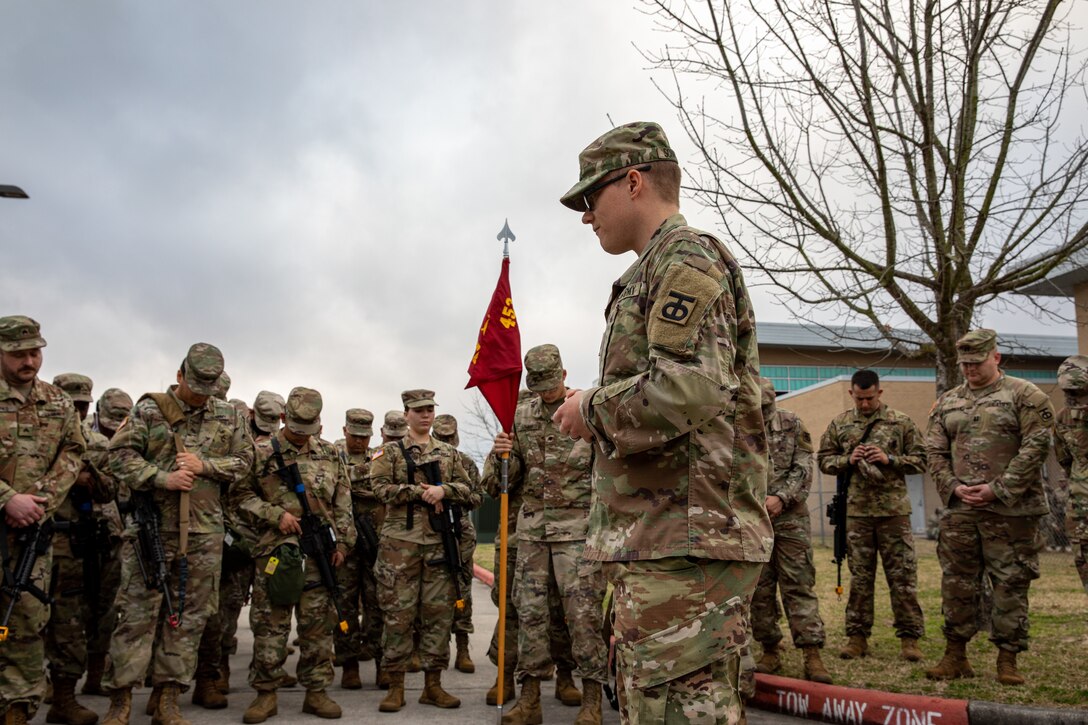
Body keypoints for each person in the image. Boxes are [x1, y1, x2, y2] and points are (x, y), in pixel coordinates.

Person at [552, 122, 773, 724]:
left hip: (687, 538)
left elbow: (690, 388)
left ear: (632, 182)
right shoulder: (656, 268)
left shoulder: (685, 259)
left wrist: (590, 407)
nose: (585, 216)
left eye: (590, 198)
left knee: (678, 710)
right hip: (667, 539)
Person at [100, 343, 253, 725]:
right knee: (136, 617)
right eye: (195, 385)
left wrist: (206, 466)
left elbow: (246, 462)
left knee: (188, 619)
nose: (201, 395)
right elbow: (117, 457)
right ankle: (119, 702)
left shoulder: (227, 415)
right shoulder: (150, 410)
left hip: (204, 533)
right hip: (153, 530)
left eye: (209, 387)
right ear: (180, 375)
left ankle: (168, 699)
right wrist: (162, 477)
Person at [925, 329, 1054, 685]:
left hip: (1011, 512)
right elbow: (933, 451)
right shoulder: (948, 401)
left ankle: (1007, 660)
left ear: (995, 357)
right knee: (957, 584)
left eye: (976, 363)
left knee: (1010, 583)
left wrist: (998, 489)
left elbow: (1036, 447)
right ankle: (955, 655)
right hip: (962, 511)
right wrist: (952, 487)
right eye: (963, 364)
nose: (969, 370)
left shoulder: (1025, 396)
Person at [489, 344, 607, 725]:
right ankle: (530, 700)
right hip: (533, 533)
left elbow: (605, 472)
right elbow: (504, 481)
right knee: (531, 617)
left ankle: (592, 701)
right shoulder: (519, 415)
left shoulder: (586, 411)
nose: (545, 393)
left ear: (564, 374)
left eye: (551, 384)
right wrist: (503, 454)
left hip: (577, 534)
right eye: (538, 386)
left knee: (583, 617)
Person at [230, 387, 354, 723]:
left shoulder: (330, 454)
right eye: (296, 426)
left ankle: (316, 692)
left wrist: (343, 544)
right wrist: (276, 516)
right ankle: (265, 694)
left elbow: (343, 503)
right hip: (276, 554)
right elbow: (238, 497)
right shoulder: (260, 452)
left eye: (308, 428)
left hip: (320, 556)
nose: (301, 435)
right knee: (270, 625)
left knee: (317, 628)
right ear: (284, 418)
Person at [0, 316, 85, 725]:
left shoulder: (58, 402)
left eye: (35, 352)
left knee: (27, 622)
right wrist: (7, 499)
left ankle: (17, 710)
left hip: (31, 533)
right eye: (18, 353)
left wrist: (39, 503)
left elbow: (72, 454)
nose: (29, 361)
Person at [369, 389, 473, 713]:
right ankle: (396, 686)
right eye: (419, 410)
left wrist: (445, 489)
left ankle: (433, 686)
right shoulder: (388, 453)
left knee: (438, 616)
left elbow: (471, 491)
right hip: (400, 545)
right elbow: (379, 488)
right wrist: (417, 492)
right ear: (406, 414)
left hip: (439, 546)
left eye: (429, 409)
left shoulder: (449, 453)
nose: (425, 415)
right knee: (398, 616)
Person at [817, 369, 926, 662]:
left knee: (902, 577)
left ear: (879, 393)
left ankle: (910, 638)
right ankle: (857, 637)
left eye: (869, 398)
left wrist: (889, 459)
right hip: (857, 514)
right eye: (859, 398)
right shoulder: (840, 424)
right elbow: (824, 461)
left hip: (893, 513)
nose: (864, 404)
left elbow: (922, 460)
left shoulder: (900, 422)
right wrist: (847, 460)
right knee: (861, 579)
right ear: (851, 393)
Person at [481, 390, 579, 709]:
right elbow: (493, 487)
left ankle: (565, 675)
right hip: (514, 538)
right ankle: (505, 676)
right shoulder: (506, 442)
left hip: (555, 535)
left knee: (559, 611)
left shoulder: (558, 439)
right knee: (511, 611)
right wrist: (502, 456)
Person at [751, 378, 831, 684]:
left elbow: (804, 466)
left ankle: (812, 653)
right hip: (753, 520)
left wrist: (782, 498)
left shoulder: (792, 424)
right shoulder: (737, 427)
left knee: (798, 583)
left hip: (790, 518)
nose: (761, 412)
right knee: (759, 589)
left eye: (765, 406)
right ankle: (770, 648)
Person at [46, 373, 113, 725]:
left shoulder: (96, 444)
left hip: (74, 544)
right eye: (71, 405)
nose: (77, 411)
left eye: (82, 406)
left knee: (69, 623)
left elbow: (110, 493)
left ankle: (63, 696)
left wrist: (91, 478)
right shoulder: (40, 436)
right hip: (31, 540)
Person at [81, 388, 134, 697]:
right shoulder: (80, 436)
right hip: (74, 530)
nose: (115, 425)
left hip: (116, 533)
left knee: (107, 606)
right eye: (112, 418)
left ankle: (96, 672)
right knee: (71, 607)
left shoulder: (130, 438)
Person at [333, 408, 385, 689]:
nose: (359, 442)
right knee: (345, 606)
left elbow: (382, 486)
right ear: (345, 431)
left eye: (364, 437)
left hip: (374, 542)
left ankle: (381, 663)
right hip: (345, 544)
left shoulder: (379, 456)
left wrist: (352, 482)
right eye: (354, 435)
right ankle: (349, 664)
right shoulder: (332, 455)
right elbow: (331, 485)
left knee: (377, 605)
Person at [431, 413, 481, 675]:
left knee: (462, 589)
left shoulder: (467, 464)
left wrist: (451, 494)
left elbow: (477, 497)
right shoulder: (423, 461)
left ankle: (462, 647)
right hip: (430, 532)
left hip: (459, 531)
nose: (446, 442)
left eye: (450, 437)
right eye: (441, 437)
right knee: (431, 593)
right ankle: (431, 649)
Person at [1054, 354, 1088, 595]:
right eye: (1069, 393)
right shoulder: (1063, 419)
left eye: (1079, 392)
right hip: (1081, 511)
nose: (1074, 399)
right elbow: (1065, 460)